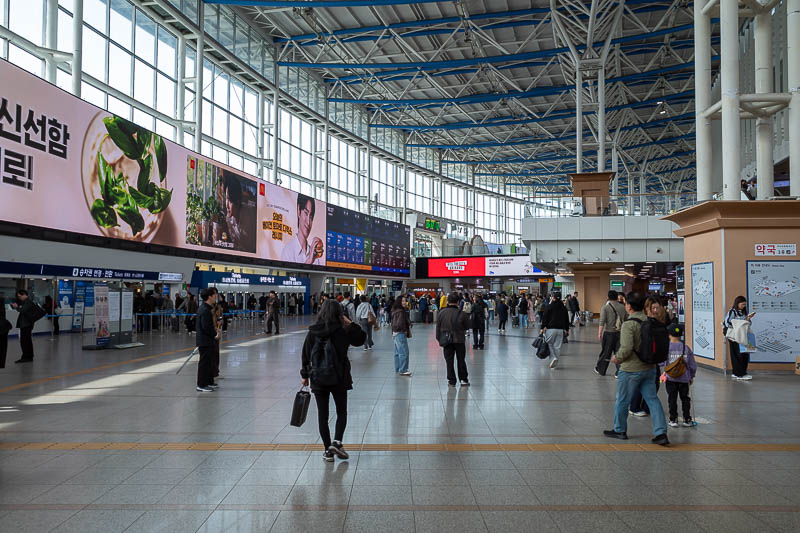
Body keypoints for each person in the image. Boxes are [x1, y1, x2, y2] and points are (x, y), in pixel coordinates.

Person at [301, 299, 366, 462]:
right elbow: (361, 339)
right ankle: (337, 442)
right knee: (341, 411)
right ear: (339, 313)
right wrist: (347, 321)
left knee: (322, 416)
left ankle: (327, 451)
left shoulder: (313, 331)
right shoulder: (342, 330)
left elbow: (305, 353)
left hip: (318, 378)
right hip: (339, 377)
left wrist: (304, 375)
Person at [604, 291, 669, 446]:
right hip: (650, 368)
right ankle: (661, 433)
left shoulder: (629, 324)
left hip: (630, 370)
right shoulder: (650, 320)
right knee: (652, 400)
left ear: (630, 307)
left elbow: (626, 348)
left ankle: (620, 429)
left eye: (626, 303)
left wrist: (616, 358)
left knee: (622, 400)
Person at [660, 324, 697, 427]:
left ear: (669, 334)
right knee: (685, 398)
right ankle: (687, 419)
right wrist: (691, 376)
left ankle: (673, 419)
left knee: (672, 398)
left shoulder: (666, 348)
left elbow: (661, 362)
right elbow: (692, 365)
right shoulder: (686, 348)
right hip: (684, 379)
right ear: (681, 335)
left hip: (670, 378)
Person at [436, 292, 472, 387]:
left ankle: (451, 381)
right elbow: (468, 326)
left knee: (449, 361)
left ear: (447, 301)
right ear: (458, 302)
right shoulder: (462, 313)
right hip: (459, 340)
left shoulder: (441, 313)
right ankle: (463, 379)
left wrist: (439, 339)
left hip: (446, 340)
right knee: (461, 360)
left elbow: (438, 329)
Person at [282, 193, 324, 265]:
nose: (308, 222)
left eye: (310, 217)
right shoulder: (288, 251)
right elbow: (290, 275)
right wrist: (309, 261)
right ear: (298, 210)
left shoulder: (314, 255)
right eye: (306, 213)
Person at [595, 290, 627, 376]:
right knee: (618, 353)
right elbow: (626, 319)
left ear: (608, 297)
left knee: (606, 352)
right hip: (620, 333)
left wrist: (599, 333)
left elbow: (602, 321)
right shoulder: (623, 307)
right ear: (617, 297)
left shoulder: (605, 307)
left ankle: (601, 370)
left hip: (609, 333)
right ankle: (619, 372)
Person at [723, 295, 755, 381]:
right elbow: (727, 323)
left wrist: (748, 318)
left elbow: (748, 324)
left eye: (745, 304)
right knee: (737, 355)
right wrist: (740, 324)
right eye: (742, 304)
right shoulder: (732, 312)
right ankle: (739, 374)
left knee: (744, 353)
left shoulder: (744, 312)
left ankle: (738, 372)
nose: (744, 306)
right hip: (734, 336)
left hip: (743, 336)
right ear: (737, 303)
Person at [195, 288, 219, 392]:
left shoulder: (207, 308)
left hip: (208, 340)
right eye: (214, 295)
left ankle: (209, 381)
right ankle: (201, 384)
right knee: (204, 363)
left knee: (210, 362)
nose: (216, 297)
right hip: (205, 341)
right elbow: (206, 327)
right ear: (209, 296)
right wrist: (215, 334)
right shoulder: (205, 310)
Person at [540, 293, 569, 369]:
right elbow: (566, 319)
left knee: (548, 344)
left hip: (550, 329)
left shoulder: (549, 306)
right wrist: (566, 329)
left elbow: (544, 318)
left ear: (553, 298)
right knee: (557, 347)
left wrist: (542, 327)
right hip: (560, 330)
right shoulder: (563, 308)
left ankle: (553, 358)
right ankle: (554, 365)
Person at [391, 296, 412, 376]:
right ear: (399, 302)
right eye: (402, 301)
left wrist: (393, 332)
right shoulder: (401, 312)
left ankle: (398, 368)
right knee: (404, 352)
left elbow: (393, 323)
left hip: (395, 333)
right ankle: (403, 369)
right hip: (400, 333)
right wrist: (405, 328)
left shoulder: (395, 310)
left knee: (397, 352)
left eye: (405, 301)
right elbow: (399, 324)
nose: (404, 302)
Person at [0, 296, 10, 368]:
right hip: (4, 326)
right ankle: (1, 364)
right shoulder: (1, 300)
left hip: (2, 326)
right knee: (3, 346)